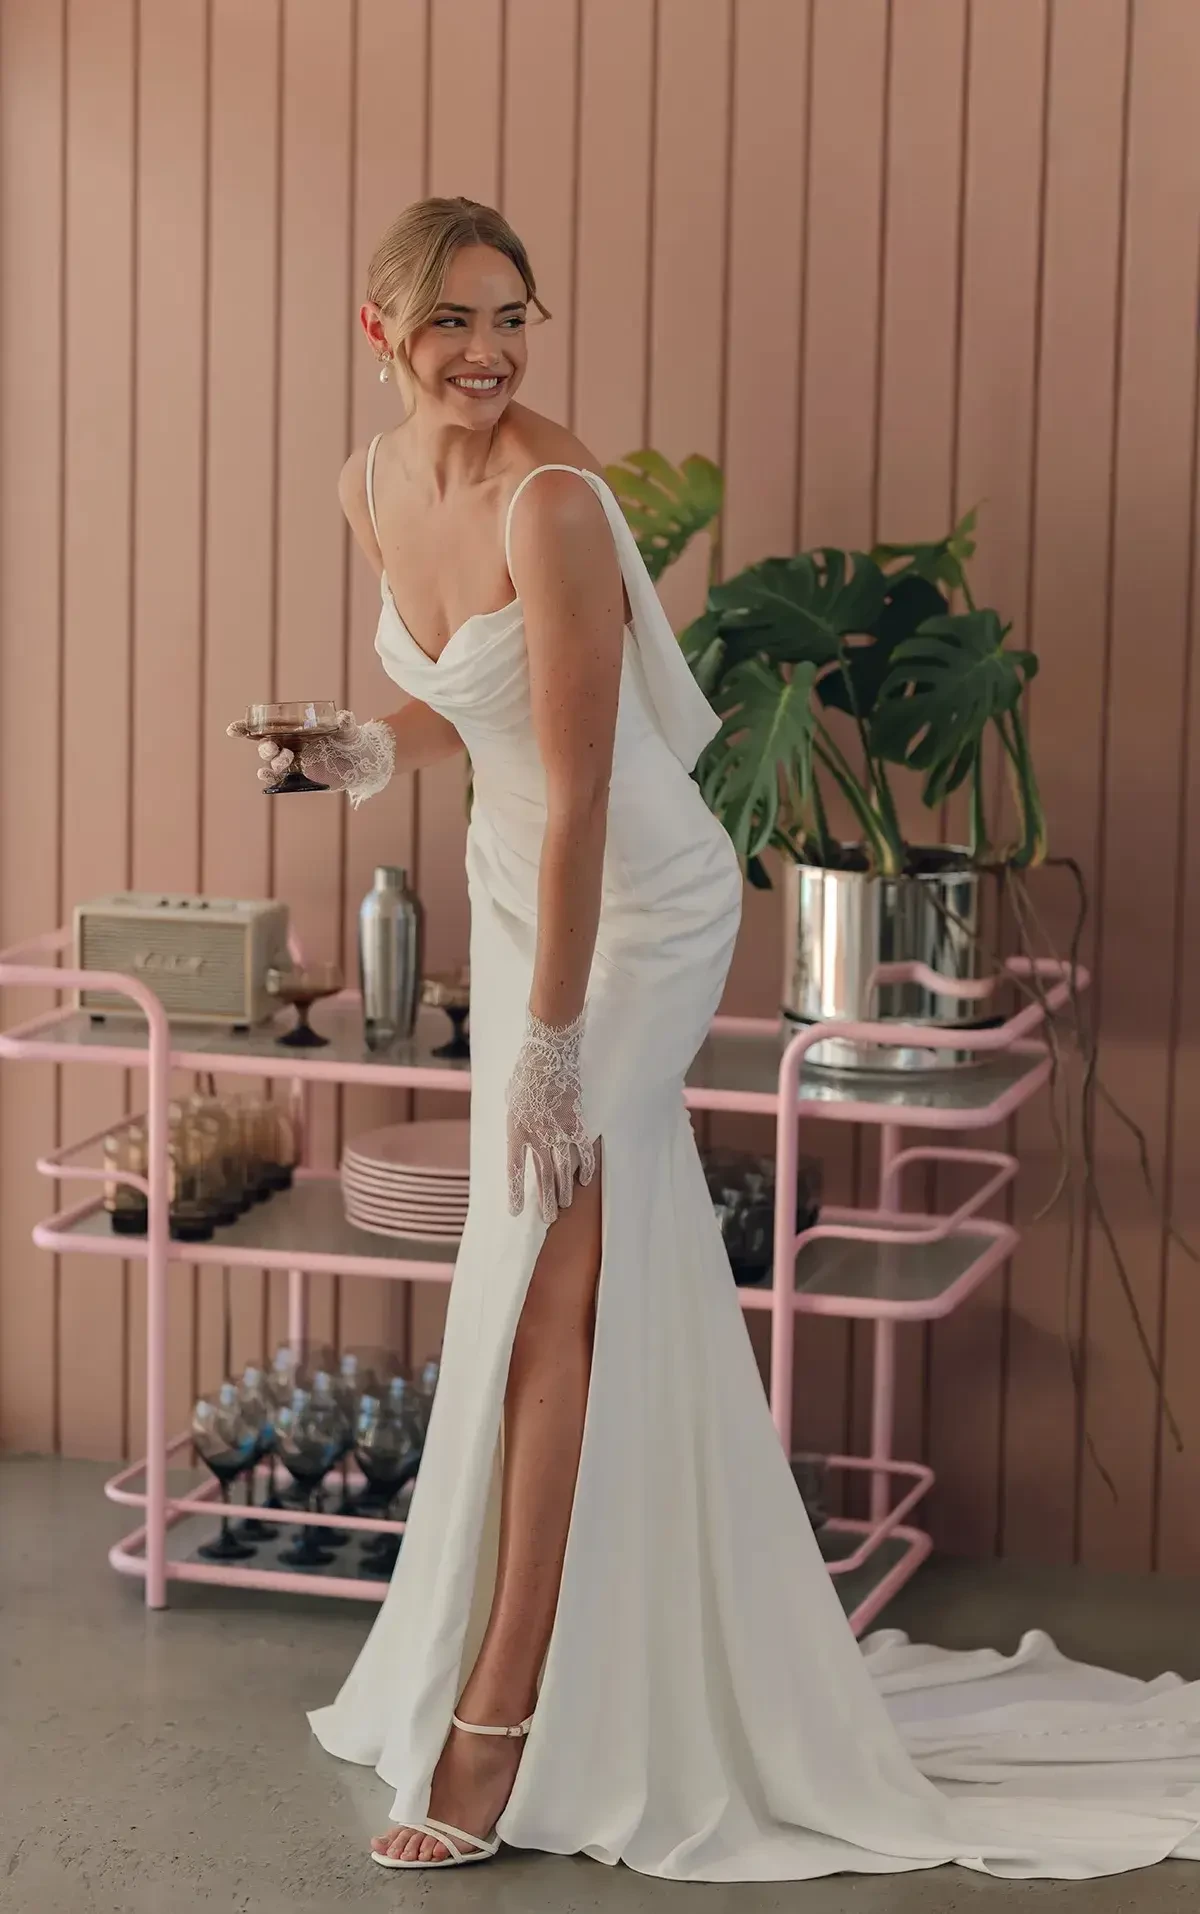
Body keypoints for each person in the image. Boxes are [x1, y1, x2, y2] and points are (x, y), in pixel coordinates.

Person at [244, 199, 1200, 1881]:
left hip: (637, 900)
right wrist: (351, 747)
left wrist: (552, 1043)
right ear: (379, 330)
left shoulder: (554, 500)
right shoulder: (368, 482)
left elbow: (590, 788)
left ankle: (501, 1714)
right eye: (454, 320)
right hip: (526, 891)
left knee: (545, 1263)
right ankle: (576, 1653)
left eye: (514, 318)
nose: (489, 353)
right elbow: (467, 707)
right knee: (548, 1268)